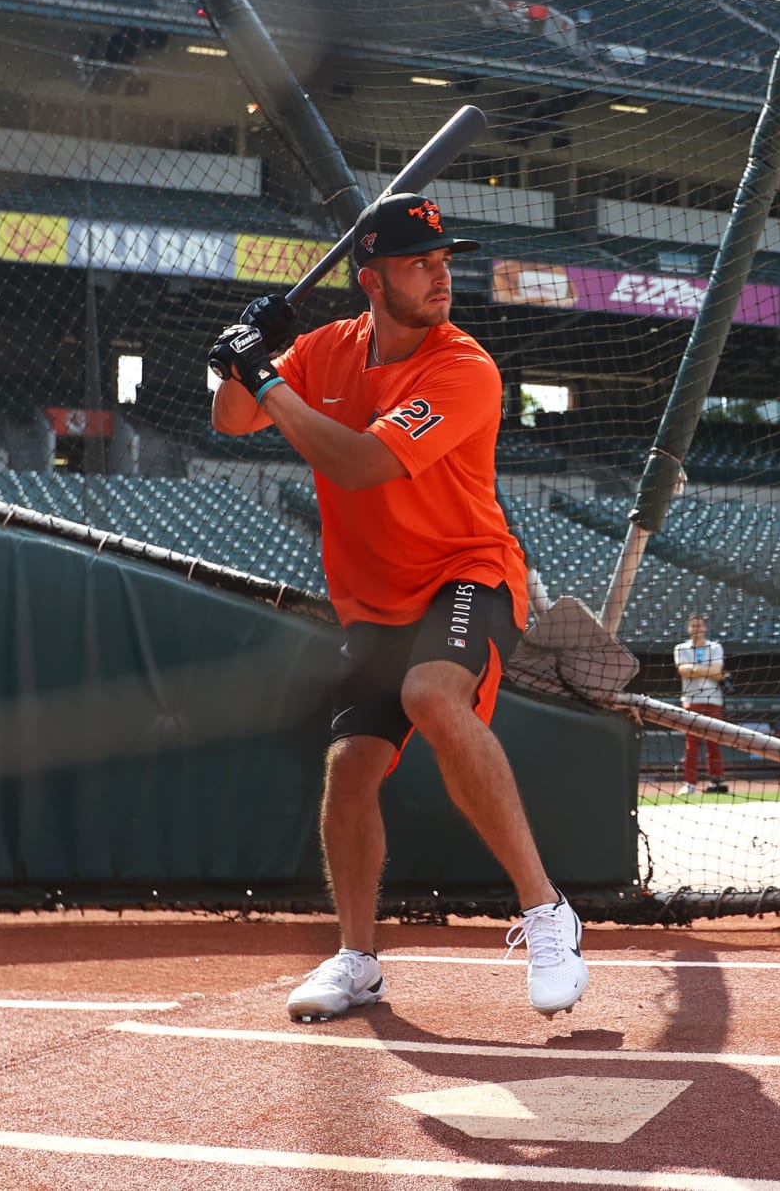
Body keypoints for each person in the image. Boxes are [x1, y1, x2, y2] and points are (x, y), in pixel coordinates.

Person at [209, 193, 586, 1022]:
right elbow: (230, 418)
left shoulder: (465, 368)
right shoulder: (324, 349)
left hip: (470, 574)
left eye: (445, 261)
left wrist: (264, 375)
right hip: (373, 604)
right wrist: (238, 352)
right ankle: (356, 962)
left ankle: (545, 910)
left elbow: (358, 464)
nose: (441, 276)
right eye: (421, 263)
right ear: (372, 279)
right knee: (349, 770)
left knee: (428, 695)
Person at [673, 612, 728, 795]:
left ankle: (717, 781)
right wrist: (708, 671)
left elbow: (716, 670)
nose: (697, 629)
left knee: (714, 743)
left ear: (705, 628)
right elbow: (683, 671)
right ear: (688, 629)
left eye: (700, 625)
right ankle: (690, 784)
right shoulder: (681, 648)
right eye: (693, 626)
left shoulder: (715, 647)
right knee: (691, 745)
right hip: (691, 701)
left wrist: (694, 669)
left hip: (713, 700)